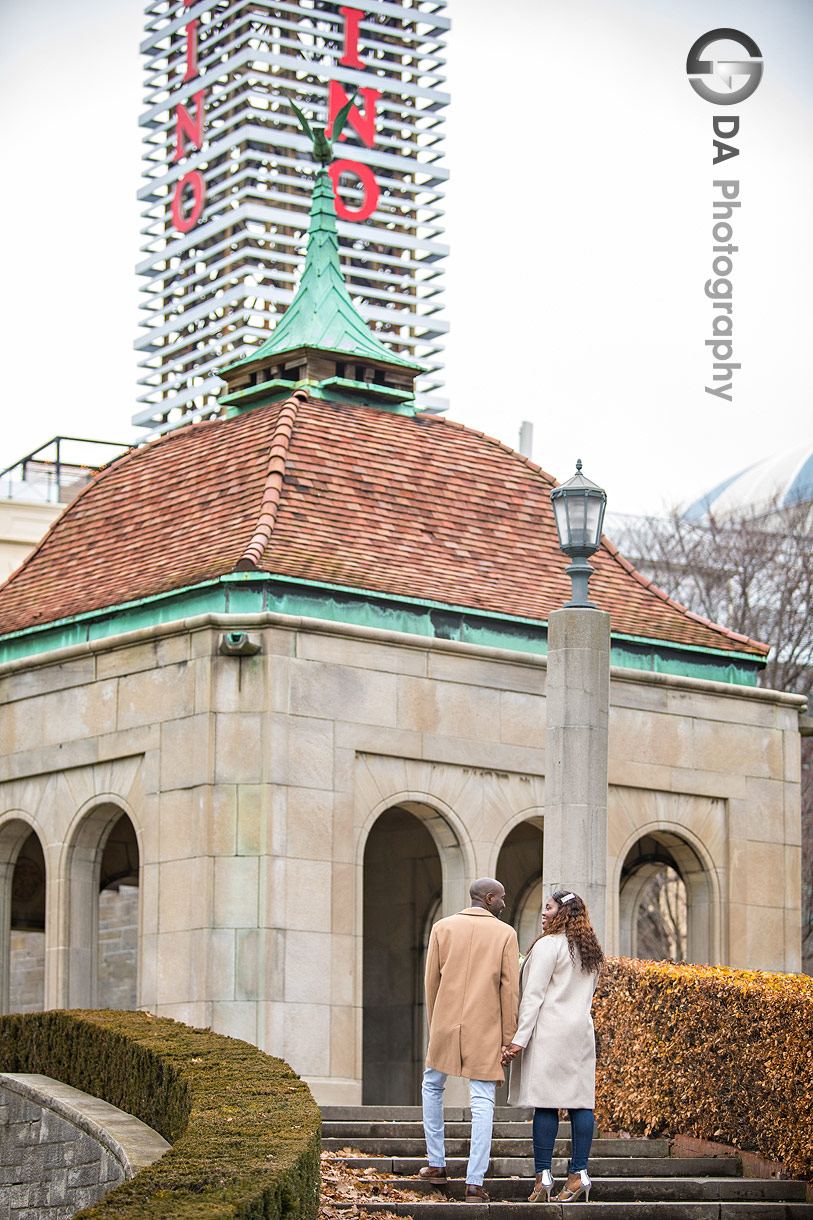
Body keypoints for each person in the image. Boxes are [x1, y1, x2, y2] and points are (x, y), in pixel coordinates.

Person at [420, 877, 520, 1202]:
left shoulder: (442, 928)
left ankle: (436, 1164)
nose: (505, 903)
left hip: (445, 1026)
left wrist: (436, 1025)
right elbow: (510, 991)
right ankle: (474, 1182)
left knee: (432, 1085)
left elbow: (430, 982)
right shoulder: (506, 934)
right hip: (486, 1031)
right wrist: (508, 1039)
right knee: (483, 1102)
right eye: (501, 898)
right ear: (489, 899)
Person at [502, 889, 604, 1204]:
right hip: (580, 1033)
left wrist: (518, 1040)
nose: (543, 913)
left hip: (549, 1033)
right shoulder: (590, 951)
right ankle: (579, 1175)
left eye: (548, 908)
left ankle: (543, 1176)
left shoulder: (549, 946)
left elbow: (533, 996)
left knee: (545, 1104)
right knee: (580, 1103)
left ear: (561, 913)